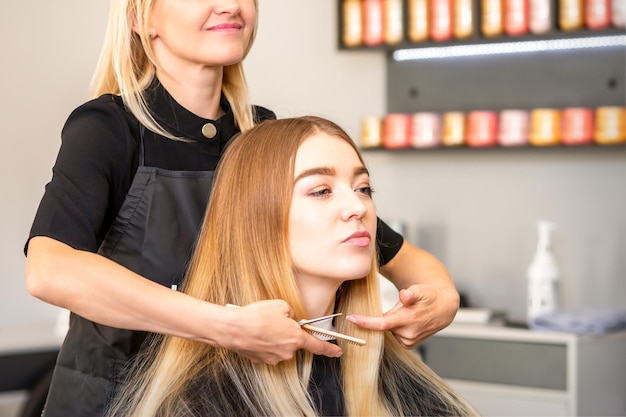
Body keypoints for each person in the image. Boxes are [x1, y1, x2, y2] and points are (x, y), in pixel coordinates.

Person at [24, 0, 459, 416]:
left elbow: (388, 248)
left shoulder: (262, 137)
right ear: (141, 17)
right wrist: (226, 327)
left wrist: (442, 296)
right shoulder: (108, 130)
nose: (230, 5)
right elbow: (50, 270)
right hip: (112, 399)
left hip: (246, 391)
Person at [105, 115, 478, 417]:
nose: (358, 208)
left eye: (363, 188)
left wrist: (445, 296)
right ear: (257, 218)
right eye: (321, 191)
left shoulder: (388, 377)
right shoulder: (199, 402)